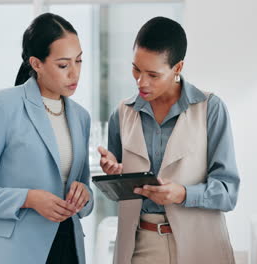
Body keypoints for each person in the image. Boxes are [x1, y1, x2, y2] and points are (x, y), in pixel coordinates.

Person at [0, 13, 93, 264]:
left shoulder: (81, 117)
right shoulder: (5, 106)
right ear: (36, 63)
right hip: (19, 252)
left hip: (69, 247)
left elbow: (85, 197)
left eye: (79, 61)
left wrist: (84, 195)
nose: (75, 73)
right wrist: (28, 199)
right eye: (63, 65)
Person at [98, 16, 240, 264]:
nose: (141, 82)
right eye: (136, 69)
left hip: (201, 246)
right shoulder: (122, 113)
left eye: (153, 74)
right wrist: (114, 171)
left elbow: (228, 192)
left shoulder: (210, 109)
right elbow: (121, 186)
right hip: (140, 247)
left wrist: (182, 194)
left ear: (177, 68)